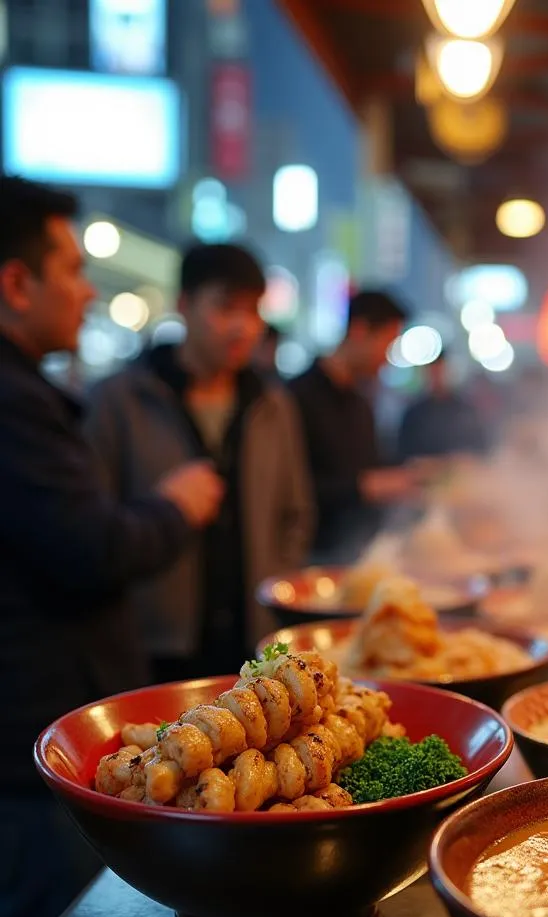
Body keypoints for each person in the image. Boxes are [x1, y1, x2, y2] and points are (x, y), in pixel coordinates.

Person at [0, 176, 223, 917]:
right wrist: (174, 507)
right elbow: (87, 549)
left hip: (49, 728)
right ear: (15, 282)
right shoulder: (17, 401)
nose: (88, 289)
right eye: (70, 268)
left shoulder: (33, 391)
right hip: (34, 739)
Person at [86, 243, 315, 684]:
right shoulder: (120, 400)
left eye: (253, 311)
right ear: (184, 305)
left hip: (254, 643)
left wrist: (273, 586)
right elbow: (93, 526)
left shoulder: (272, 404)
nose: (242, 328)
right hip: (156, 648)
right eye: (225, 308)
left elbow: (297, 513)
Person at [290, 289, 416, 561]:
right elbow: (289, 489)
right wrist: (363, 487)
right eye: (387, 343)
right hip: (312, 556)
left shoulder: (360, 403)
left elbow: (371, 467)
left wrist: (412, 474)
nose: (387, 358)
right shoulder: (296, 397)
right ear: (359, 331)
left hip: (359, 550)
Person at [396, 350, 488, 462]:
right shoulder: (414, 414)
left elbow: (480, 449)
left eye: (441, 370)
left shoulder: (464, 410)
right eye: (433, 371)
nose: (437, 376)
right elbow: (404, 454)